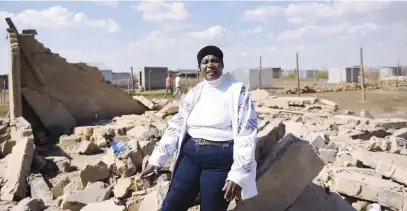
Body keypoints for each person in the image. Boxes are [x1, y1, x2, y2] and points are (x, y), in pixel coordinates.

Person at [140, 45, 258, 211]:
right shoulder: (195, 92)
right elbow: (177, 125)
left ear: (222, 65)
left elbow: (247, 132)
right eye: (205, 62)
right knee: (171, 204)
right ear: (200, 67)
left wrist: (238, 173)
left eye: (215, 61)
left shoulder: (237, 91)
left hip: (219, 160)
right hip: (189, 157)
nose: (210, 65)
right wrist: (157, 160)